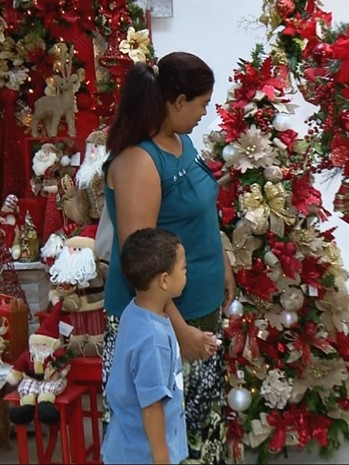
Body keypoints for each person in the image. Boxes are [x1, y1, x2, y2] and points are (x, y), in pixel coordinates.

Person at [102, 52, 235, 464]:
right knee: (166, 438)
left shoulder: (183, 143)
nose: (204, 114)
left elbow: (201, 215)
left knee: (200, 430)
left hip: (198, 310)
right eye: (201, 104)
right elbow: (140, 266)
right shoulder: (140, 162)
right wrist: (180, 331)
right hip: (166, 325)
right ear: (177, 102)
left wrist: (223, 262)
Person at [102, 228, 190, 464]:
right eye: (183, 268)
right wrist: (162, 458)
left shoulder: (135, 310)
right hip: (142, 455)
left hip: (126, 444)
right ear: (164, 280)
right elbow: (151, 407)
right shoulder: (153, 340)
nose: (186, 272)